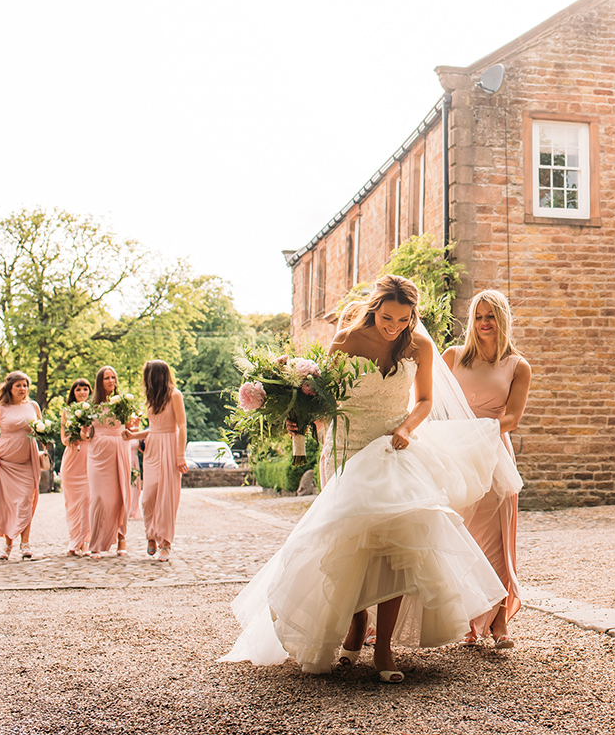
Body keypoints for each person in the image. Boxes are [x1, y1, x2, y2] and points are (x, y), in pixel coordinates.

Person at [222, 274, 518, 683]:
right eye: (387, 318)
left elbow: (427, 399)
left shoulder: (421, 345)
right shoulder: (346, 340)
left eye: (403, 318)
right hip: (345, 449)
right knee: (346, 540)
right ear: (374, 308)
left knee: (398, 545)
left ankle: (384, 647)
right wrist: (299, 418)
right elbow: (320, 398)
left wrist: (407, 428)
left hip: (393, 447)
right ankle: (357, 625)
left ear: (413, 314)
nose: (394, 326)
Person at [443, 290, 531, 649]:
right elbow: (431, 402)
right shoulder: (452, 358)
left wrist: (485, 429)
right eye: (478, 316)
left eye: (491, 316)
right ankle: (466, 618)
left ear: (502, 320)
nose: (484, 323)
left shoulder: (517, 366)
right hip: (456, 454)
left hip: (494, 452)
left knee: (496, 538)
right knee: (461, 535)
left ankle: (498, 621)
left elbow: (512, 416)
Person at [0, 371, 44, 560]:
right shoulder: (0, 408)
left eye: (25, 385)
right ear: (10, 388)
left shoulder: (33, 406)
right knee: (10, 504)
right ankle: (8, 545)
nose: (23, 389)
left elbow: (40, 429)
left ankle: (25, 543)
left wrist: (45, 438)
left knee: (25, 500)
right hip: (6, 463)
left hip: (28, 461)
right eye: (19, 385)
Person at [127, 360, 188, 561]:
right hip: (152, 449)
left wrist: (180, 456)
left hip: (170, 447)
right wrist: (132, 436)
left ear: (156, 376)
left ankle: (166, 543)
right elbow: (153, 429)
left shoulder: (175, 395)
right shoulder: (151, 399)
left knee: (167, 498)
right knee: (148, 497)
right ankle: (151, 536)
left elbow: (181, 426)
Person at [85, 365, 133, 557]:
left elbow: (130, 427)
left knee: (121, 494)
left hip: (119, 448)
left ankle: (121, 537)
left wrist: (134, 426)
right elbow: (87, 432)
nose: (111, 381)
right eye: (107, 378)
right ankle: (96, 541)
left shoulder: (122, 403)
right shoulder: (91, 406)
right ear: (100, 382)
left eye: (113, 377)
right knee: (99, 497)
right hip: (97, 453)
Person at [59, 377, 93, 557]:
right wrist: (72, 439)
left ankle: (86, 542)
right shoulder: (66, 411)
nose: (82, 393)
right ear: (73, 393)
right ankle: (74, 541)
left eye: (85, 389)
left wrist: (84, 432)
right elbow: (63, 437)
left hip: (89, 458)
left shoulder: (94, 411)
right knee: (72, 503)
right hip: (72, 458)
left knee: (87, 500)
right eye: (78, 390)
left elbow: (95, 436)